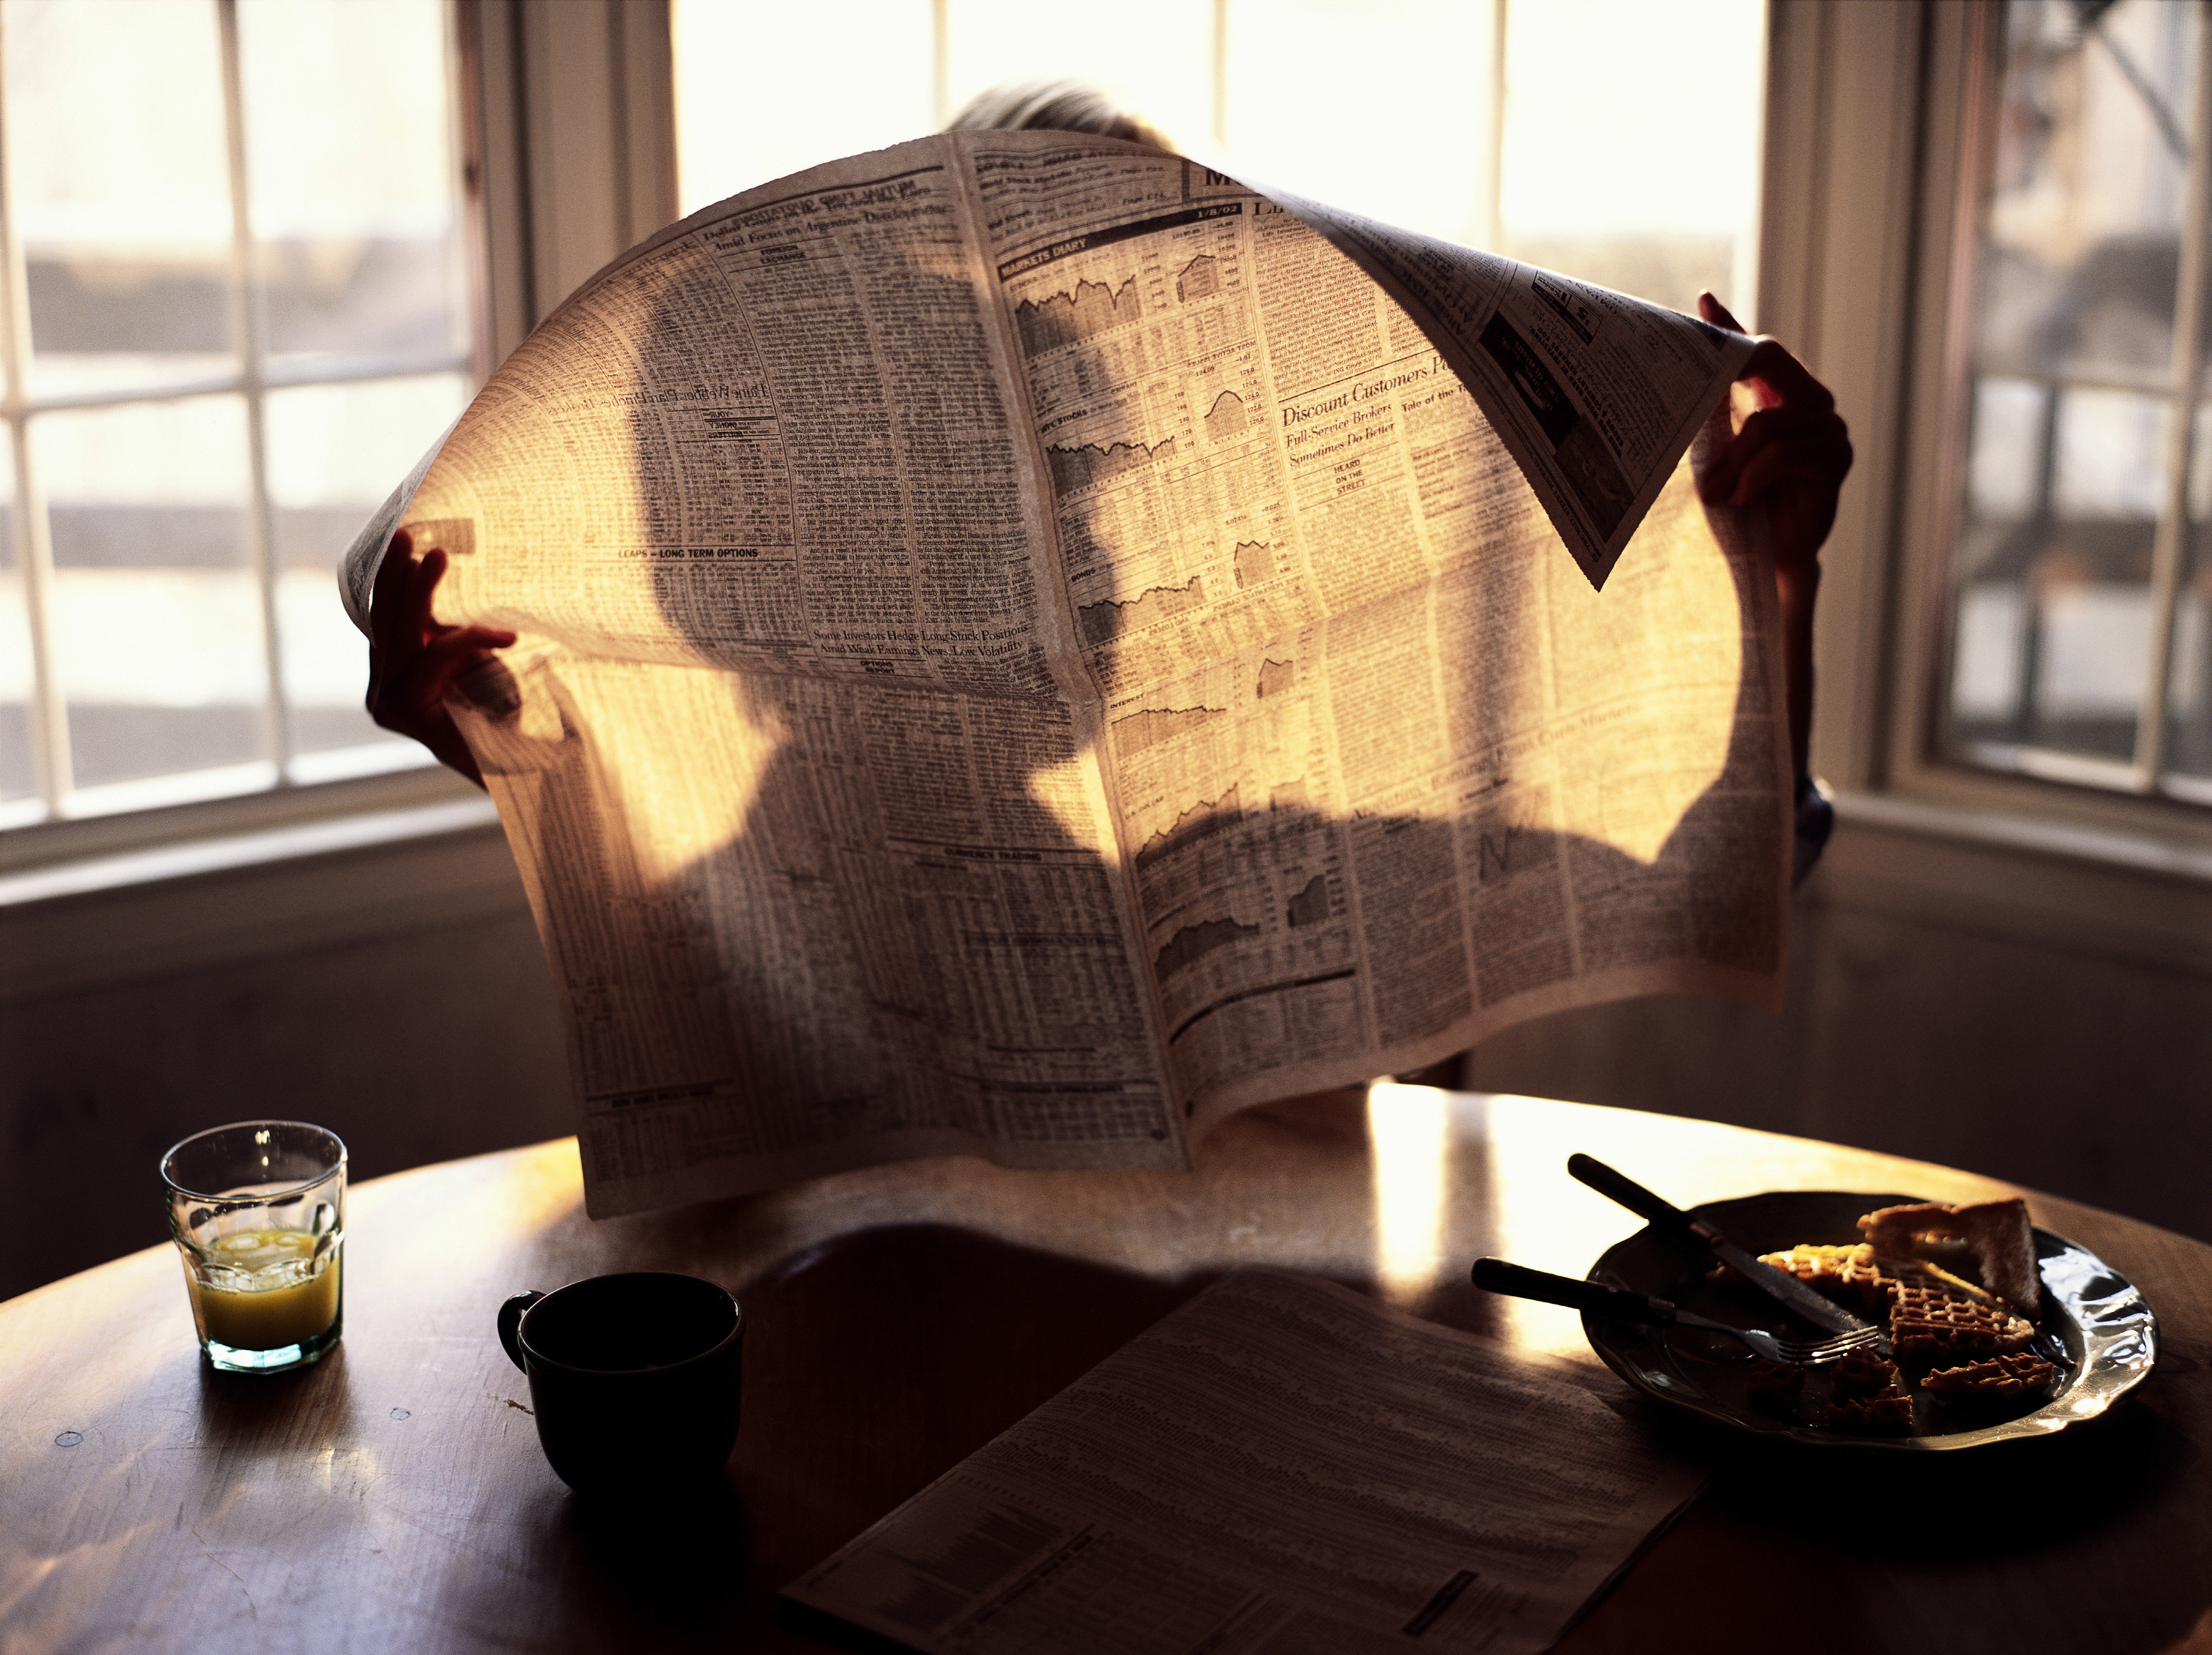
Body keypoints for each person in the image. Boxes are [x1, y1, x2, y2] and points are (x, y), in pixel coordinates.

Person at [369, 85, 1849, 875]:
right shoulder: (771, 856)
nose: (1073, 539)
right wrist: (503, 763)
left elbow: (1727, 877)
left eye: (1090, 475)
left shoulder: (1279, 810)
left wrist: (1779, 577)